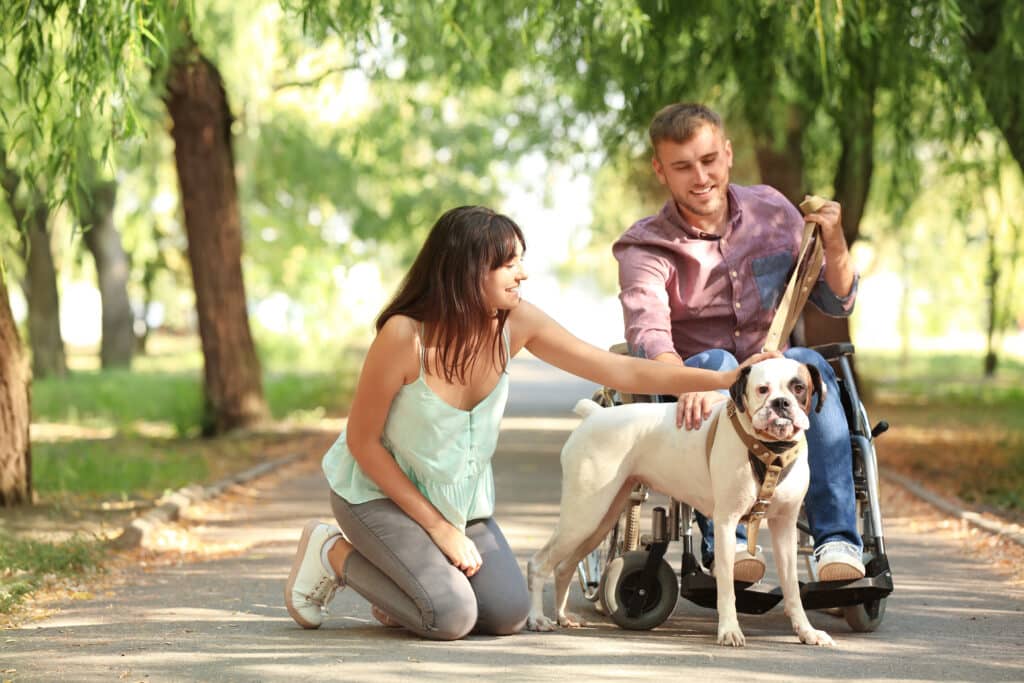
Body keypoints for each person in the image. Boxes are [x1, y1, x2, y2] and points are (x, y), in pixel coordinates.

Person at [285, 205, 774, 641]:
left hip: (459, 505)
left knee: (506, 614)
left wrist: (723, 376)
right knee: (450, 617)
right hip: (376, 497)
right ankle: (329, 551)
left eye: (521, 259)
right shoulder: (404, 336)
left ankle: (406, 584)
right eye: (508, 263)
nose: (523, 274)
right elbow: (362, 443)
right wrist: (437, 529)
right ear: (466, 270)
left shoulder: (514, 322)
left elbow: (616, 369)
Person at [613, 103, 865, 584]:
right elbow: (648, 332)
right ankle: (728, 541)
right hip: (703, 386)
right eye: (683, 166)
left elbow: (837, 302)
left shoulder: (772, 211)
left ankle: (837, 542)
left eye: (709, 160)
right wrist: (688, 377)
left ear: (727, 155)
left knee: (811, 365)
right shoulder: (645, 247)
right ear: (660, 170)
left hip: (778, 377)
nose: (701, 177)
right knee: (718, 361)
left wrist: (833, 240)